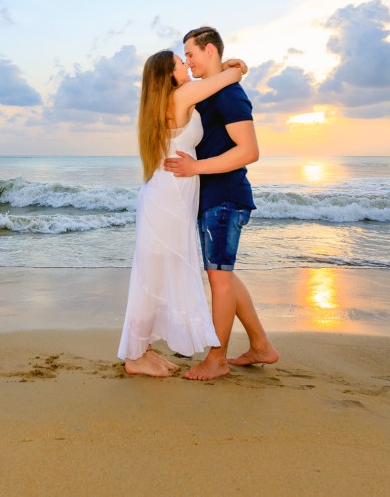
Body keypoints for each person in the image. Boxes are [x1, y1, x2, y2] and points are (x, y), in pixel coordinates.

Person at [118, 49, 249, 377]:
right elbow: (230, 76)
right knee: (151, 278)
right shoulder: (181, 95)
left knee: (154, 275)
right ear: (168, 74)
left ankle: (143, 350)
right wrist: (235, 66)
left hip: (165, 196)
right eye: (180, 62)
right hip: (167, 200)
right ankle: (135, 355)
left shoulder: (161, 102)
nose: (186, 65)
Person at [164, 26, 279, 381]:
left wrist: (195, 167)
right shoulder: (209, 91)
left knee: (219, 278)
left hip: (225, 195)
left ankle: (217, 358)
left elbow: (249, 151)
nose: (188, 61)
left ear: (209, 50)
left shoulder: (230, 96)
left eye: (192, 54)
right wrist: (234, 67)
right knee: (222, 274)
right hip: (211, 196)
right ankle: (260, 346)